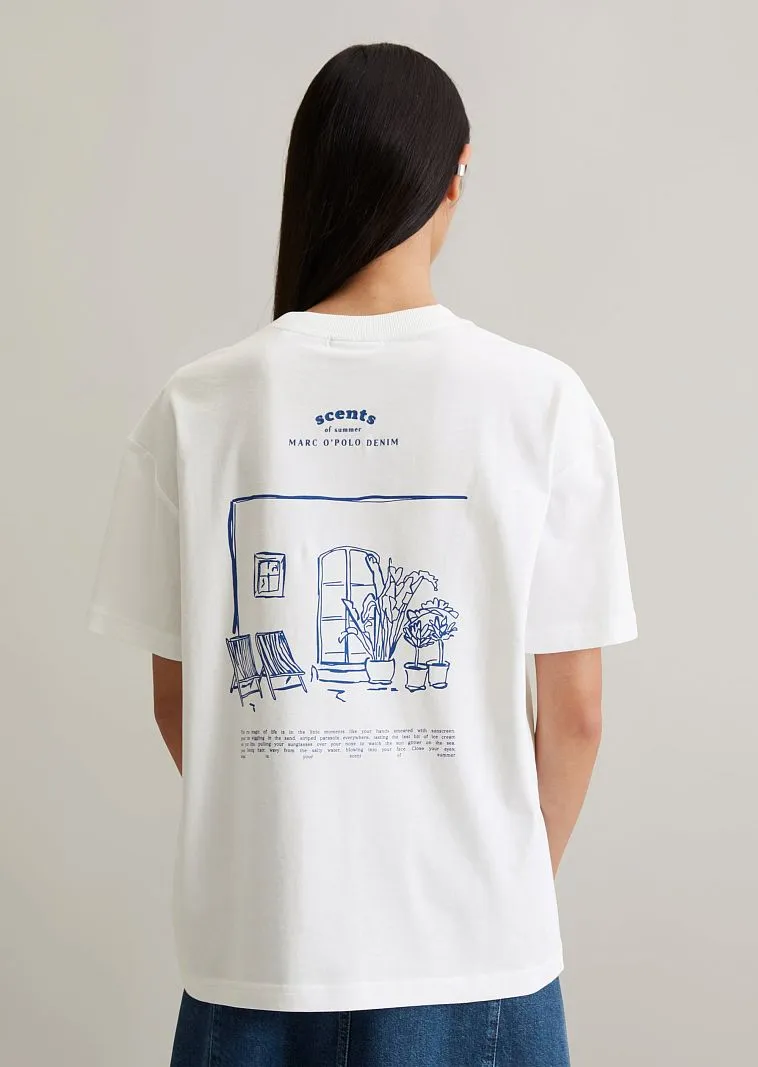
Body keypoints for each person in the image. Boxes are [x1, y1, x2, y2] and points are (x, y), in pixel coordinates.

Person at [87, 41, 637, 1067]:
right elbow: (575, 716)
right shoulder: (542, 404)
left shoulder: (196, 406)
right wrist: (495, 895)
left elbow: (179, 700)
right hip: (474, 963)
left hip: (258, 956)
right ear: (455, 176)